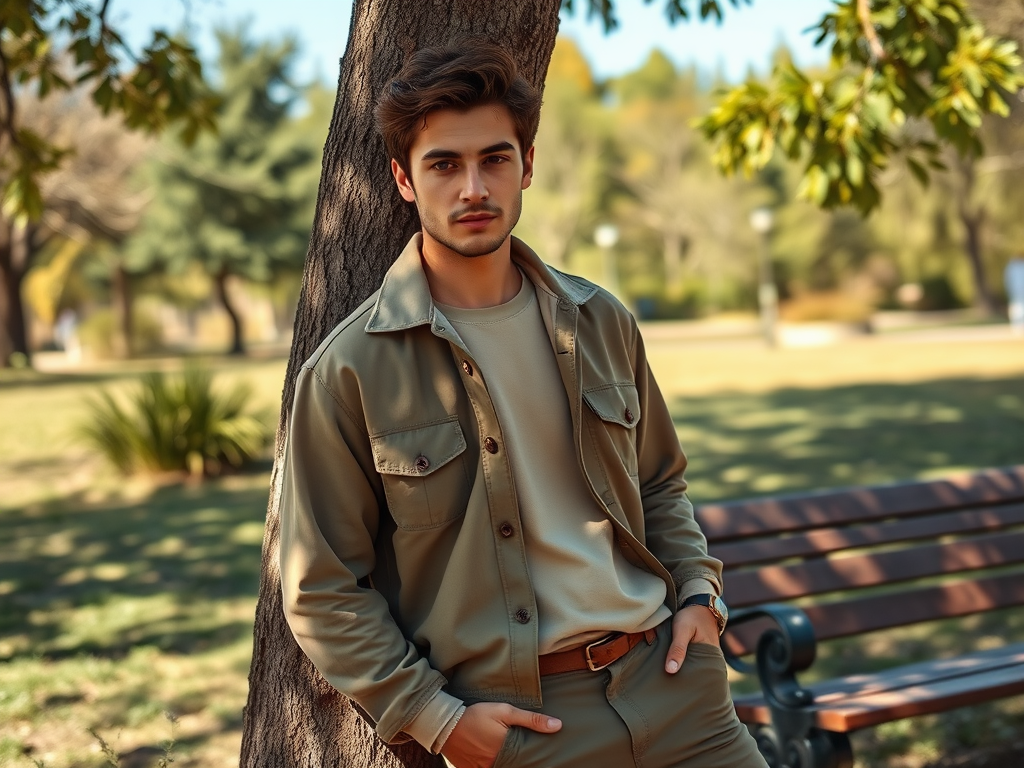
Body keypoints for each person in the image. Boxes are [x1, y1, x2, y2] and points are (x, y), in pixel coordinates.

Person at [279, 40, 767, 768]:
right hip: (527, 730)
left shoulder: (601, 322)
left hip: (677, 692)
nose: (472, 187)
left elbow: (659, 481)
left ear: (527, 166)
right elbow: (320, 586)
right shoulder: (350, 369)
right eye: (443, 164)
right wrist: (435, 719)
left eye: (494, 159)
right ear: (403, 180)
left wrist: (699, 595)